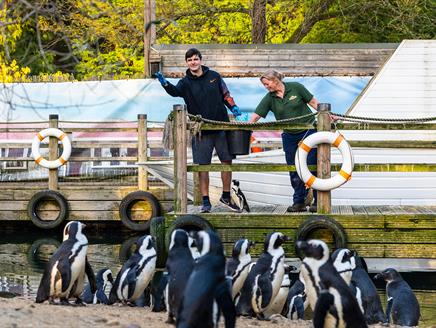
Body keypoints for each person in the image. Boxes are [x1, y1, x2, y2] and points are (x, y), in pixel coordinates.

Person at [155, 48, 241, 213]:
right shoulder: (185, 82)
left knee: (226, 162)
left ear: (200, 60)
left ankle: (226, 196)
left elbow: (225, 94)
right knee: (203, 166)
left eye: (195, 59)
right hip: (200, 129)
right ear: (187, 62)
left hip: (220, 125)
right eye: (189, 60)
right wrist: (164, 82)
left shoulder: (214, 76)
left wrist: (234, 107)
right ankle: (206, 201)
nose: (193, 62)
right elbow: (175, 92)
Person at [248, 70, 319, 213]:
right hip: (289, 136)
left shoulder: (296, 88)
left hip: (309, 131)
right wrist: (247, 126)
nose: (266, 87)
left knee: (312, 166)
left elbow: (314, 102)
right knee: (294, 169)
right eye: (264, 85)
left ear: (275, 80)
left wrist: (328, 115)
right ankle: (299, 202)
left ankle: (318, 201)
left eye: (267, 84)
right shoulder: (269, 98)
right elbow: (256, 116)